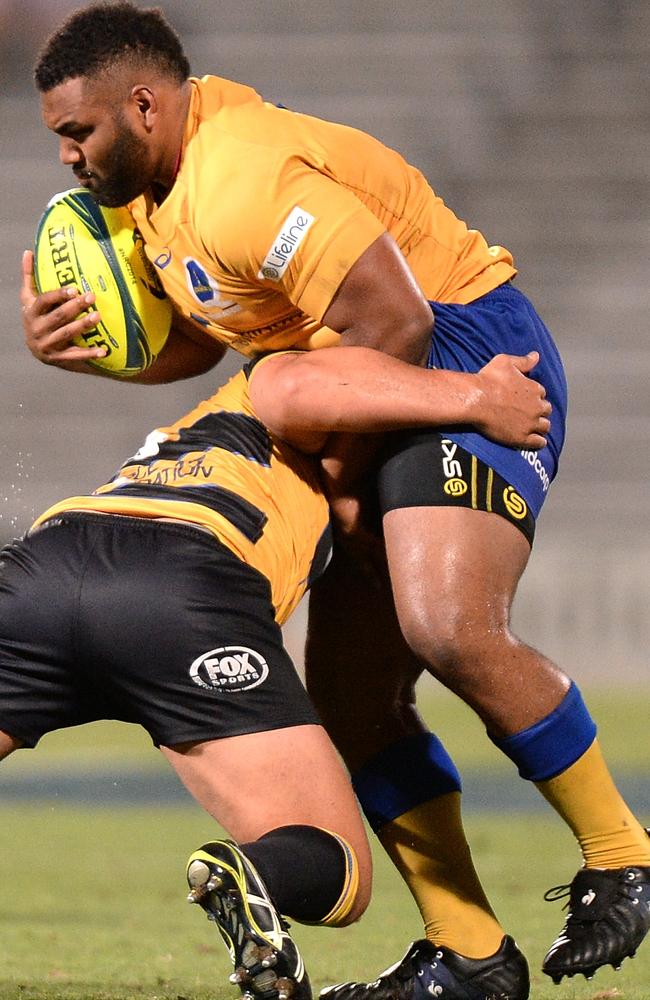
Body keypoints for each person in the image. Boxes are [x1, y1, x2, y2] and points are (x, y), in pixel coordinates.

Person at [22, 3, 650, 997]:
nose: (65, 157)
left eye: (77, 132)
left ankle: (622, 855)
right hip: (359, 377)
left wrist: (347, 494)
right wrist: (97, 356)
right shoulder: (155, 194)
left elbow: (393, 318)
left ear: (142, 105)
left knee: (444, 622)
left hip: (458, 352)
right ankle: (471, 955)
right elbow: (204, 336)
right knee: (354, 704)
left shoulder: (242, 178)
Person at [0, 346, 547, 1000]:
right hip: (184, 586)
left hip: (41, 568)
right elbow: (306, 380)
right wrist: (480, 399)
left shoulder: (202, 425)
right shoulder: (291, 386)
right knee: (339, 872)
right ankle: (253, 875)